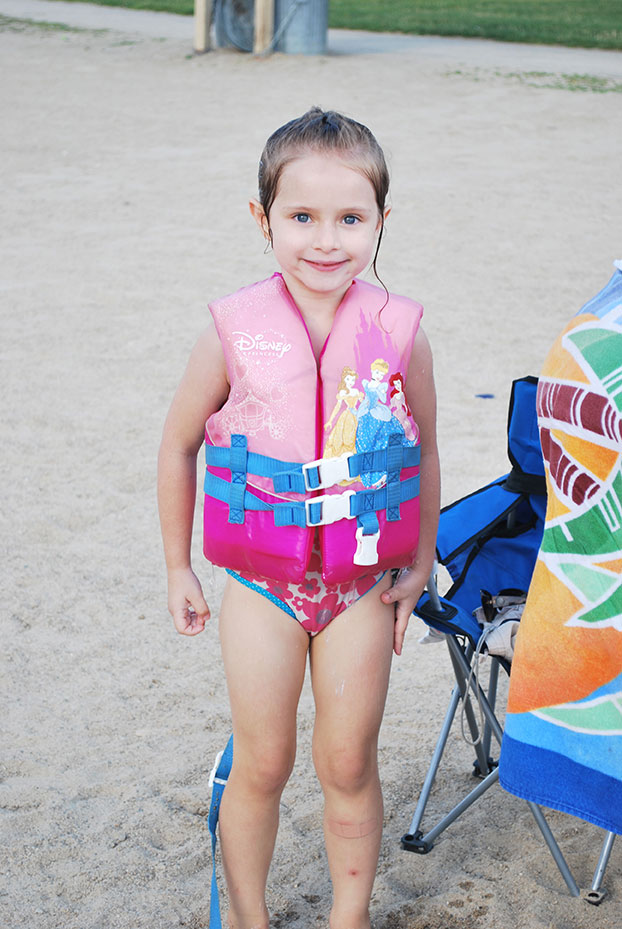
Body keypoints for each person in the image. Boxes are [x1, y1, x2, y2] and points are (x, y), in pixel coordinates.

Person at [157, 107, 440, 929]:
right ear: (264, 220)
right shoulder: (231, 333)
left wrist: (421, 558)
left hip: (359, 586)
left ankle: (348, 919)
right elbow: (179, 445)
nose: (326, 240)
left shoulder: (401, 334)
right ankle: (250, 916)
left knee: (347, 762)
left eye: (350, 219)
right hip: (260, 586)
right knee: (265, 760)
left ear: (381, 220)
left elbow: (422, 451)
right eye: (302, 217)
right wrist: (178, 565)